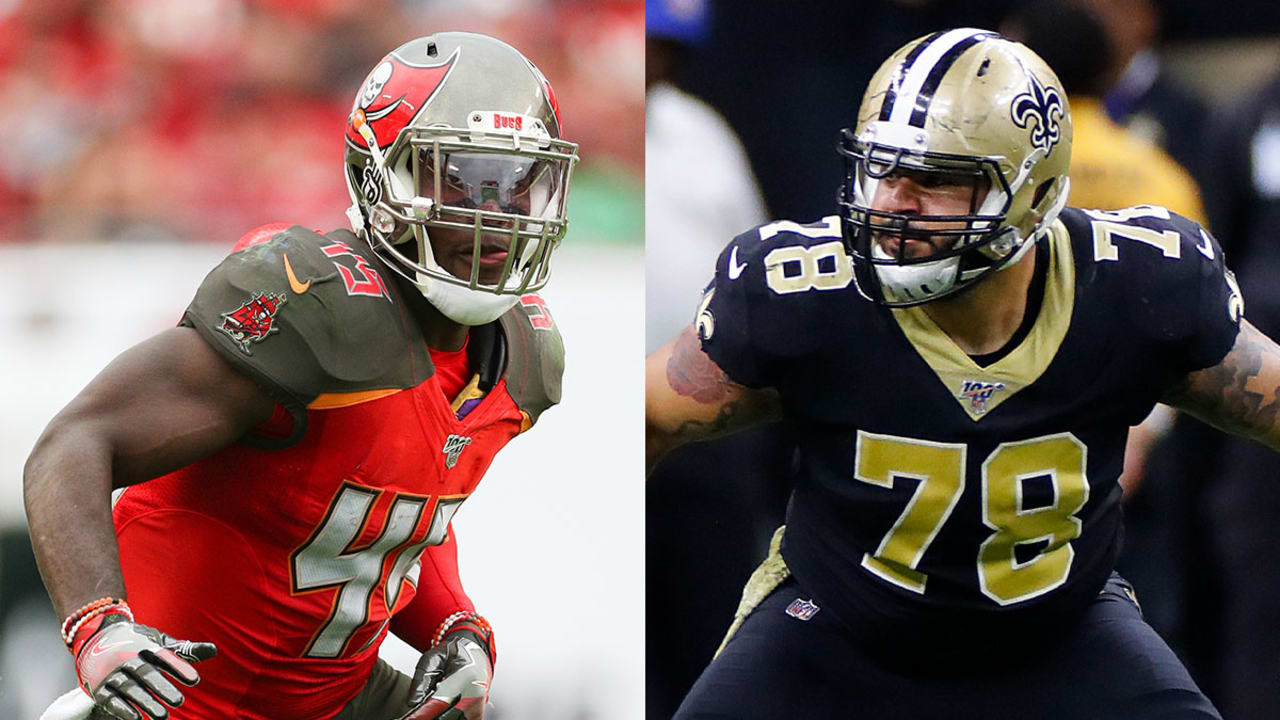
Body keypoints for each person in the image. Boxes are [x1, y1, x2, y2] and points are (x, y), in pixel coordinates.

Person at [646, 28, 1279, 719]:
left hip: (1062, 634)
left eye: (939, 179)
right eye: (882, 168)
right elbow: (643, 418)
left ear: (1033, 194)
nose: (894, 203)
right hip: (836, 628)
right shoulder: (805, 294)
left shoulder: (1138, 287)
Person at [24, 31, 577, 720]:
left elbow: (398, 516)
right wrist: (99, 628)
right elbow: (74, 442)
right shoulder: (315, 306)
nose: (497, 214)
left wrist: (457, 628)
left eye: (520, 181)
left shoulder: (525, 356)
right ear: (383, 178)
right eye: (464, 176)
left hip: (334, 702)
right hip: (176, 703)